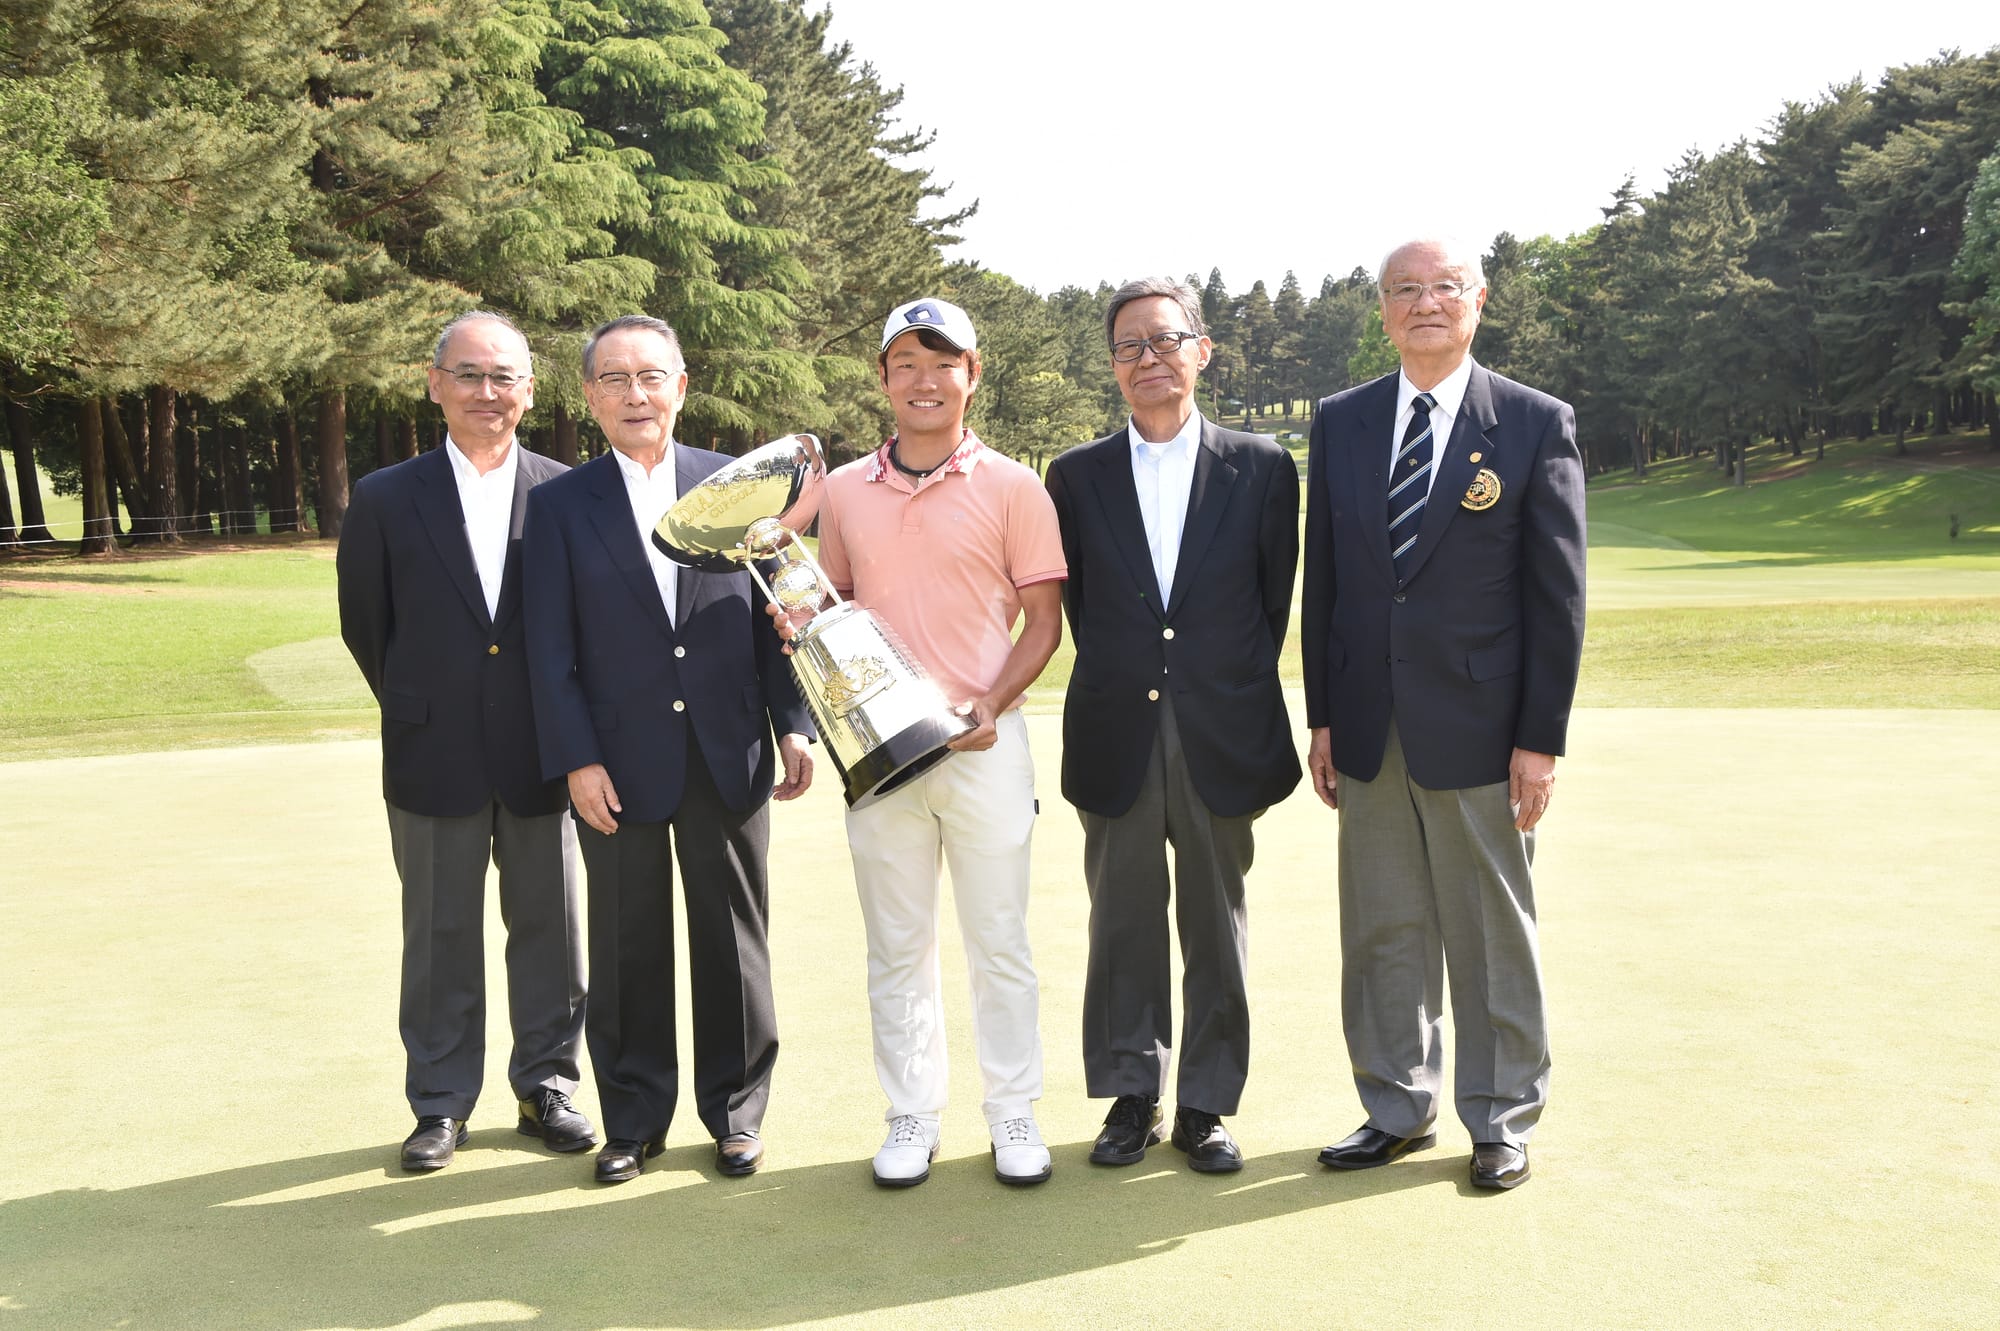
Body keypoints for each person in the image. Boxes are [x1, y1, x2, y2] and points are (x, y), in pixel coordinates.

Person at [1302, 237, 1586, 1191]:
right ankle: (1395, 1104)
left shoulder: (1536, 423)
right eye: (1406, 290)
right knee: (1383, 928)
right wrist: (1325, 716)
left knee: (1489, 934)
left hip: (1481, 730)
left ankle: (1502, 1114)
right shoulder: (1341, 422)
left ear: (1479, 301)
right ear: (1381, 311)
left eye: (1445, 287)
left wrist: (1539, 741)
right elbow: (1329, 583)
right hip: (1371, 727)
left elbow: (1558, 599)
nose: (1426, 303)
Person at [521, 314, 814, 1184]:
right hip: (617, 762)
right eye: (614, 379)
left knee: (733, 943)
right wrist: (577, 758)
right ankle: (634, 1121)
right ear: (589, 397)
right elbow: (550, 652)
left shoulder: (737, 488)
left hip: (727, 751)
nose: (635, 394)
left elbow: (779, 618)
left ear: (681, 386)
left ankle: (736, 1114)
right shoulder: (558, 506)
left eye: (651, 376)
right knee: (624, 948)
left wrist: (791, 719)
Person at [787, 297, 1066, 1188]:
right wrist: (796, 616)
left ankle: (1012, 1109)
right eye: (904, 362)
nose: (923, 379)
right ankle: (911, 1113)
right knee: (897, 946)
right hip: (880, 758)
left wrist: (992, 699)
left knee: (999, 940)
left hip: (985, 746)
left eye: (942, 362)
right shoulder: (841, 492)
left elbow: (1043, 622)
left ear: (971, 376)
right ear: (882, 379)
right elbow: (826, 607)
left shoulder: (1016, 485)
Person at [1044, 277, 1299, 1173]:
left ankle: (1205, 1103)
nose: (1148, 360)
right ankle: (1130, 1095)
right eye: (1128, 348)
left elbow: (1270, 609)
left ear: (1202, 348)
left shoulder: (1263, 466)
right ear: (1113, 366)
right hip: (1116, 725)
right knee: (1121, 919)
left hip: (1222, 728)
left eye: (1164, 341)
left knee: (1214, 919)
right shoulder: (1074, 476)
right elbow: (1080, 605)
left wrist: (1204, 681)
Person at [337, 310, 592, 1171]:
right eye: (472, 374)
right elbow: (368, 629)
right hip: (431, 750)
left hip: (540, 753)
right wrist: (432, 702)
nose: (490, 392)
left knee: (551, 928)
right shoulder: (381, 497)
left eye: (506, 377)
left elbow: (582, 632)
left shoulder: (566, 492)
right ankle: (441, 1100)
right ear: (435, 381)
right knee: (439, 934)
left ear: (529, 389)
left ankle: (548, 1084)